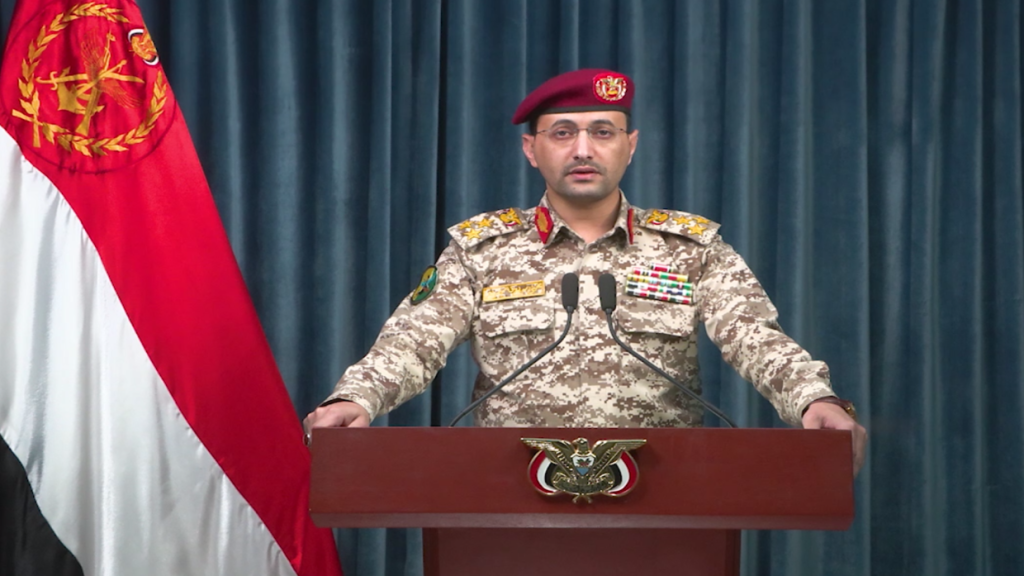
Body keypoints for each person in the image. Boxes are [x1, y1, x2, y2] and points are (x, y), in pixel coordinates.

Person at [304, 68, 867, 474]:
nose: (582, 149)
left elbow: (755, 338)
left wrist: (813, 400)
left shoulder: (690, 248)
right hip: (506, 487)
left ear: (630, 146)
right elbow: (412, 342)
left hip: (666, 488)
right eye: (562, 132)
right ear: (531, 149)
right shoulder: (482, 250)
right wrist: (355, 400)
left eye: (602, 131)